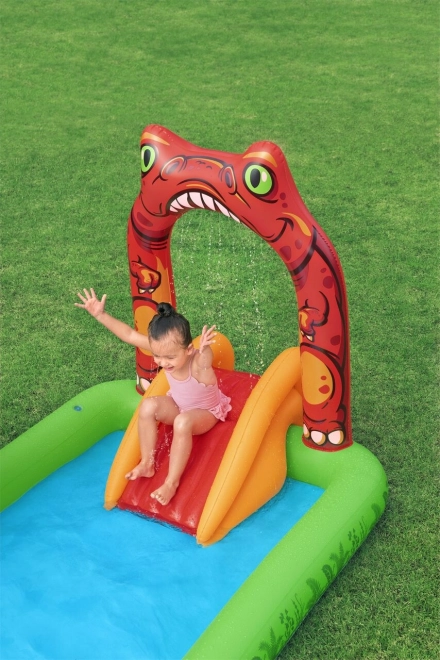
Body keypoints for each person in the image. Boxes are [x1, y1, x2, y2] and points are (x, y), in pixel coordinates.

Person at [75, 288, 231, 505]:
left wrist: (204, 349)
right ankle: (147, 463)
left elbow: (205, 362)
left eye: (170, 358)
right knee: (148, 405)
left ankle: (171, 483)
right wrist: (100, 315)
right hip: (179, 405)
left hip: (205, 413)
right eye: (157, 355)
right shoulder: (165, 348)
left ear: (188, 349)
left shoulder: (197, 362)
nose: (163, 362)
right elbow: (129, 335)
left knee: (182, 422)